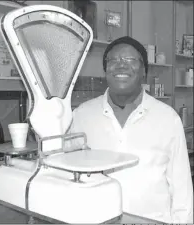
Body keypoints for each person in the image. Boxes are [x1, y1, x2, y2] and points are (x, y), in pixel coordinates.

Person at [68, 36, 193, 223]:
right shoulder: (82, 116)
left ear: (144, 72)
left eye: (130, 60)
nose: (121, 65)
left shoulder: (168, 119)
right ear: (105, 70)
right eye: (113, 60)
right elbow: (68, 176)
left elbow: (182, 189)